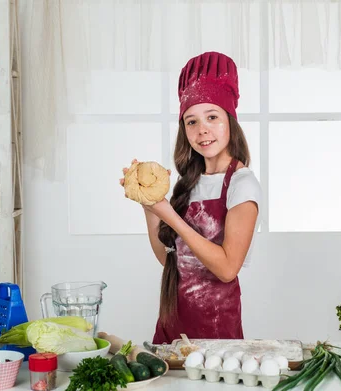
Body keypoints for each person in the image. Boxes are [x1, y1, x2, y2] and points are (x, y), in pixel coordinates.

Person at [121, 52, 262, 344]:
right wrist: (149, 206)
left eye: (212, 117)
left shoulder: (241, 184)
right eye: (191, 122)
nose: (202, 130)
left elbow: (226, 269)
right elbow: (169, 259)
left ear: (229, 121)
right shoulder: (189, 182)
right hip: (171, 329)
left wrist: (168, 214)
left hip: (217, 335)